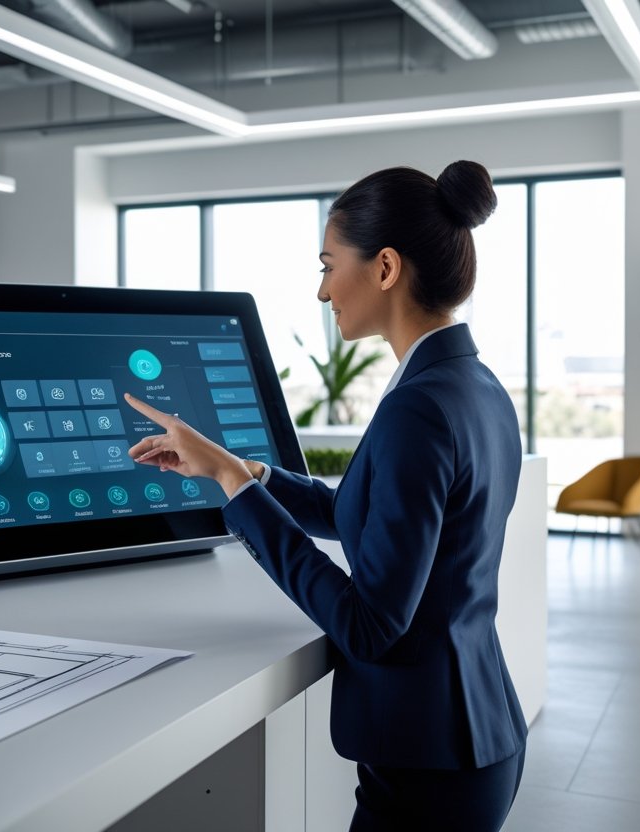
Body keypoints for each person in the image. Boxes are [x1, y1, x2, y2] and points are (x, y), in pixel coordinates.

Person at [124, 160, 525, 832]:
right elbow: (365, 515)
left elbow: (369, 626)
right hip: (471, 733)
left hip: (428, 766)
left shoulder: (418, 409)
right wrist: (249, 473)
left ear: (387, 268)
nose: (321, 291)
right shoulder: (474, 386)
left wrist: (232, 492)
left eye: (328, 264)